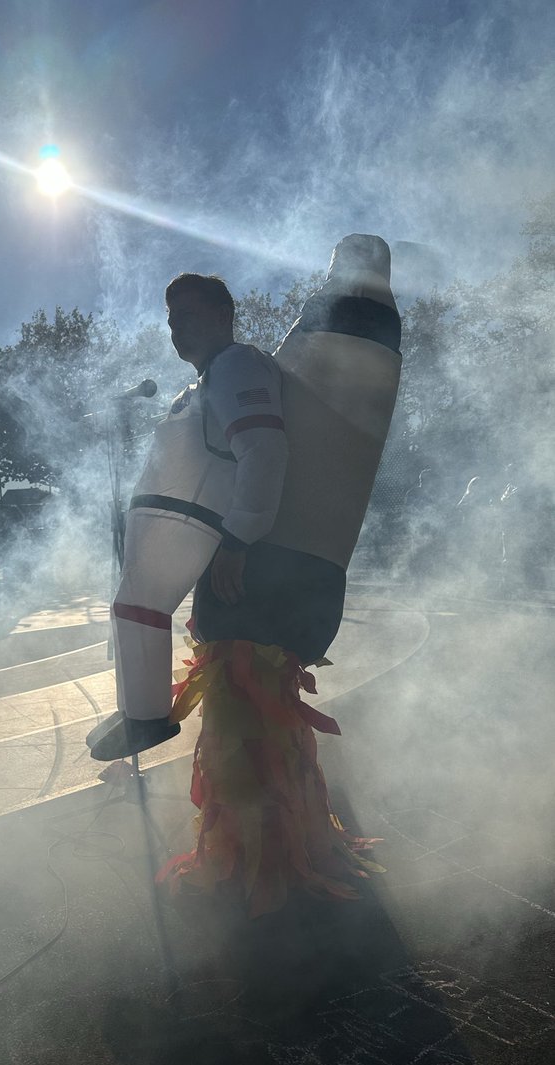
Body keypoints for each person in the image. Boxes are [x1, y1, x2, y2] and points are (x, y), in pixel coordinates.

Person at [89, 236, 402, 917]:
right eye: (172, 319)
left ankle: (263, 872)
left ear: (224, 314)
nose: (179, 329)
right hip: (263, 574)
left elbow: (263, 451)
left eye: (191, 315)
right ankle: (274, 860)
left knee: (247, 721)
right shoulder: (216, 378)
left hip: (258, 575)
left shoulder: (235, 367)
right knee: (256, 720)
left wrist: (236, 542)